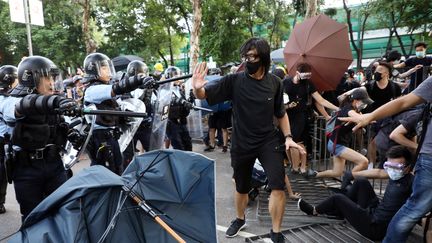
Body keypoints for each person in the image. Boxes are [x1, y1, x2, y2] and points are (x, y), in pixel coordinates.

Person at [192, 37, 304, 243]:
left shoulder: (275, 83)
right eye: (245, 56)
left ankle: (276, 232)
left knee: (278, 185)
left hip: (268, 141)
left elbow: (281, 113)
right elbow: (203, 94)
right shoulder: (234, 80)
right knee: (242, 187)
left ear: (263, 57)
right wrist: (197, 88)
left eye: (252, 56)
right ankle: (239, 218)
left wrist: (288, 137)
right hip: (242, 143)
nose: (248, 60)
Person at [339, 76, 432, 242]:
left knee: (376, 172)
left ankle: (350, 179)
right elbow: (401, 109)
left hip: (409, 155)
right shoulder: (415, 115)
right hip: (411, 153)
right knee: (411, 207)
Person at [0, 56, 78, 220]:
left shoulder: (53, 101)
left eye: (53, 78)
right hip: (27, 169)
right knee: (33, 219)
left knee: (63, 214)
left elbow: (68, 124)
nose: (52, 83)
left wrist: (73, 131)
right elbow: (21, 107)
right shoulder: (10, 101)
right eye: (47, 77)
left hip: (55, 165)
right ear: (32, 78)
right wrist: (55, 101)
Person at [298, 145, 413, 241]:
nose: (391, 170)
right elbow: (378, 172)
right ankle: (344, 212)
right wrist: (354, 174)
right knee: (361, 181)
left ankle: (313, 211)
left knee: (338, 198)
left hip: (376, 228)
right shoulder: (397, 174)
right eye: (388, 166)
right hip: (375, 211)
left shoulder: (411, 183)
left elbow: (422, 204)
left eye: (396, 167)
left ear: (408, 168)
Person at [83, 53, 152, 175]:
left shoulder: (104, 88)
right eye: (104, 68)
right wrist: (138, 79)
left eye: (109, 67)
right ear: (93, 70)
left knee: (118, 170)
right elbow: (118, 88)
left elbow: (121, 101)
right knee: (105, 174)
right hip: (100, 139)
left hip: (112, 137)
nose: (108, 71)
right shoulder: (92, 90)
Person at [284, 63, 339, 174]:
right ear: (297, 72)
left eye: (308, 76)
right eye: (305, 76)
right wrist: (288, 106)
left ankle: (298, 168)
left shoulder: (308, 84)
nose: (306, 79)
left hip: (301, 116)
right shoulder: (285, 82)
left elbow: (320, 100)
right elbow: (279, 100)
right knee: (292, 142)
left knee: (297, 141)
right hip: (287, 116)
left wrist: (337, 108)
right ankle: (297, 167)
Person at [306, 88, 372, 179]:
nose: (365, 104)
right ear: (356, 100)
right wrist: (376, 115)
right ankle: (348, 181)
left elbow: (359, 119)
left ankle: (314, 174)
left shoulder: (353, 109)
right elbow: (358, 118)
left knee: (336, 172)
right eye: (363, 102)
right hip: (337, 145)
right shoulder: (348, 110)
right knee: (364, 161)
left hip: (337, 143)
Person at [0, 65, 18, 214]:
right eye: (17, 78)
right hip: (2, 139)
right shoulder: (4, 99)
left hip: (7, 139)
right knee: (2, 171)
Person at [165, 66, 193, 151]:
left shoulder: (180, 90)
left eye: (178, 75)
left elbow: (184, 107)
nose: (178, 78)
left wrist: (190, 100)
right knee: (179, 147)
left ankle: (189, 163)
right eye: (175, 76)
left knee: (188, 144)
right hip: (172, 123)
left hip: (182, 122)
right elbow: (165, 105)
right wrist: (179, 101)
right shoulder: (165, 91)